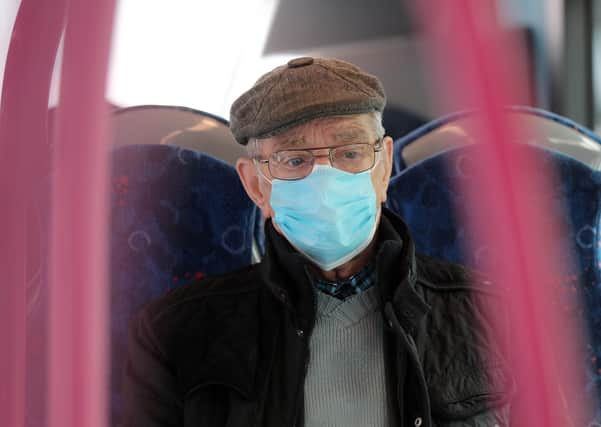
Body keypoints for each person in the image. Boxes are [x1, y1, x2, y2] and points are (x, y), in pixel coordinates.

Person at [122, 57, 514, 427]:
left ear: (383, 168)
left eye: (349, 153)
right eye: (294, 161)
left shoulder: (494, 314)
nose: (326, 183)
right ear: (256, 185)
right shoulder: (174, 333)